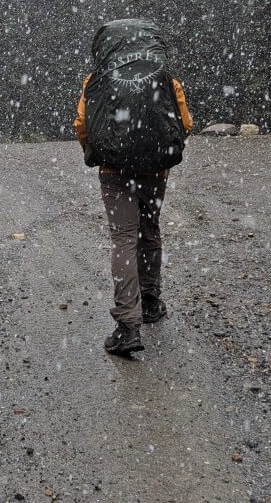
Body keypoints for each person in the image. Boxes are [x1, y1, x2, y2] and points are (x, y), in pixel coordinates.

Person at [73, 19, 193, 356]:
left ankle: (128, 325)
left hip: (114, 169)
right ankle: (151, 301)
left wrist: (98, 152)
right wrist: (159, 153)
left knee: (123, 238)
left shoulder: (96, 80)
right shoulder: (165, 79)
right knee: (149, 228)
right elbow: (185, 123)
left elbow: (83, 125)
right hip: (156, 168)